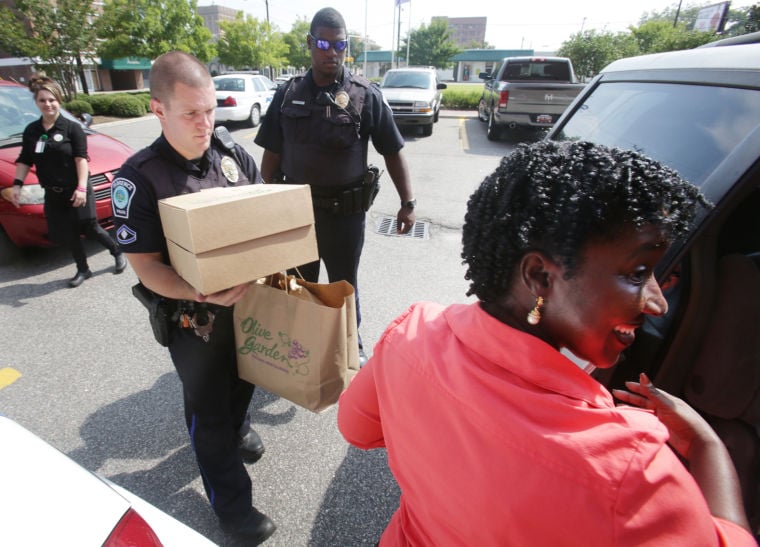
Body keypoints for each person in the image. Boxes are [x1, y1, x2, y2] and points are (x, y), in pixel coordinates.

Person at [337, 141, 755, 545]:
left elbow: (356, 428)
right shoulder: (629, 470)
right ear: (539, 277)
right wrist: (706, 445)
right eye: (638, 272)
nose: (658, 303)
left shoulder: (411, 332)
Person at [110, 51, 275, 544]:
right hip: (192, 319)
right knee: (208, 411)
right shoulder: (137, 179)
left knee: (247, 379)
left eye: (210, 110)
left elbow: (262, 212)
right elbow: (146, 268)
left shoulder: (231, 154)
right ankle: (234, 510)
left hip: (244, 305)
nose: (206, 123)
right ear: (157, 110)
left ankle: (239, 425)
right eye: (191, 114)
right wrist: (201, 292)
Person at [254, 7, 416, 364]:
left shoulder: (364, 94)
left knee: (344, 285)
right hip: (297, 215)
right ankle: (304, 347)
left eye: (340, 44)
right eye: (325, 43)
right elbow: (272, 154)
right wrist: (265, 203)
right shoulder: (287, 94)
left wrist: (408, 202)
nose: (333, 52)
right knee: (301, 285)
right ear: (310, 43)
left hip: (345, 216)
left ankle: (348, 344)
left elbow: (392, 150)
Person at [11, 74, 126, 287]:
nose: (48, 104)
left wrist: (81, 188)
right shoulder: (32, 131)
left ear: (59, 101)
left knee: (90, 227)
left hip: (78, 187)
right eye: (43, 100)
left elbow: (81, 159)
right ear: (36, 103)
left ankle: (117, 250)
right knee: (70, 232)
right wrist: (17, 184)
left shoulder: (71, 128)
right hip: (54, 193)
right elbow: (24, 159)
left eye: (52, 100)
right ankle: (83, 269)